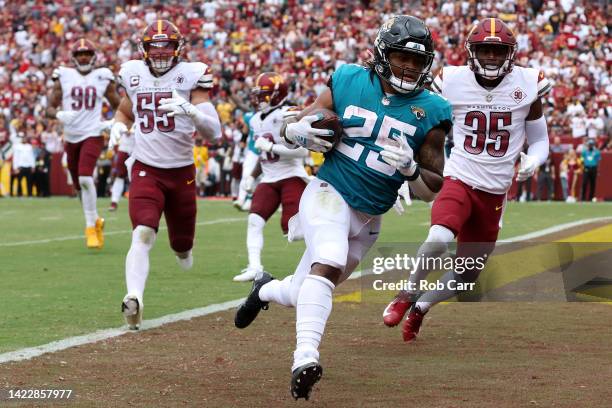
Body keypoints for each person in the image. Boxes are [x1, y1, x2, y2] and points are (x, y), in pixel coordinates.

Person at [234, 16, 452, 400]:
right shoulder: (350, 79)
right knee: (329, 258)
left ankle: (265, 289)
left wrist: (411, 168)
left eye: (418, 62)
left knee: (306, 289)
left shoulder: (432, 109)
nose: (410, 68)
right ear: (383, 53)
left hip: (370, 218)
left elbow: (432, 187)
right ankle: (305, 358)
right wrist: (293, 130)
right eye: (403, 57)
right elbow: (304, 117)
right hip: (328, 191)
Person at [383, 18, 551, 342]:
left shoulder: (528, 83)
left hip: (495, 192)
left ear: (510, 54)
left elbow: (540, 139)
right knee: (437, 237)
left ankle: (420, 308)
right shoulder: (451, 80)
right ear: (472, 51)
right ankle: (406, 294)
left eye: (497, 51)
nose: (490, 56)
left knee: (466, 275)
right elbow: (424, 121)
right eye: (485, 49)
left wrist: (535, 158)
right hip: (459, 177)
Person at [109, 19, 221, 330]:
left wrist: (193, 111)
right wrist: (117, 123)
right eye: (153, 47)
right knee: (142, 232)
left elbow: (215, 132)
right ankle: (134, 298)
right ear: (143, 50)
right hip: (146, 168)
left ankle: (183, 253)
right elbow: (125, 109)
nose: (160, 53)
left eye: (166, 46)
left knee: (182, 245)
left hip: (181, 172)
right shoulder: (134, 74)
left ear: (178, 48)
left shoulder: (191, 76)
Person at [232, 72, 309, 282]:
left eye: (264, 95)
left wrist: (273, 146)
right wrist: (251, 176)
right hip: (268, 178)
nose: (259, 99)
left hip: (291, 176)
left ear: (277, 94)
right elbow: (264, 153)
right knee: (254, 221)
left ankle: (323, 256)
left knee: (295, 233)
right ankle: (255, 267)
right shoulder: (256, 119)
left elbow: (303, 151)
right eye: (258, 95)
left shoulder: (288, 114)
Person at [46, 39, 121, 248]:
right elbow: (49, 108)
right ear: (73, 58)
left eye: (87, 53)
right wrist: (59, 113)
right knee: (79, 187)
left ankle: (90, 229)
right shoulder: (64, 75)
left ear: (94, 56)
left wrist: (113, 123)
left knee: (86, 176)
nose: (83, 57)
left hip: (93, 132)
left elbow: (119, 105)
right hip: (71, 136)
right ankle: (96, 219)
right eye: (79, 54)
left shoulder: (103, 76)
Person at [109, 126, 134, 211]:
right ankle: (114, 202)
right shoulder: (124, 114)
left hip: (139, 148)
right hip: (124, 147)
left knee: (140, 176)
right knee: (120, 176)